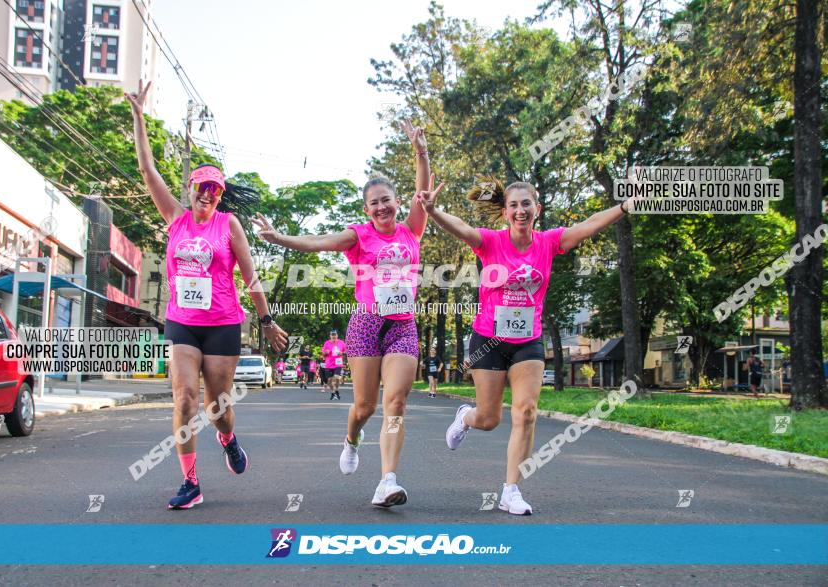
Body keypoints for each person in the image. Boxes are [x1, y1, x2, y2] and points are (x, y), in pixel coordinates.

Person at [418, 177, 635, 515]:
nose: (520, 210)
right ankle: (466, 417)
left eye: (526, 204)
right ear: (505, 212)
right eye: (514, 205)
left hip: (528, 341)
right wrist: (433, 212)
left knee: (526, 412)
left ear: (537, 209)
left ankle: (511, 490)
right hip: (489, 339)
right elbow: (462, 229)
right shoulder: (491, 242)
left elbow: (589, 226)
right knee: (489, 419)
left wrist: (623, 206)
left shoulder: (548, 243)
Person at [251, 120, 430, 507]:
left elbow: (423, 191)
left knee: (396, 401)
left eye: (387, 199)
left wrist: (420, 150)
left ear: (397, 202)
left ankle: (387, 480)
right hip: (366, 325)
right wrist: (279, 237)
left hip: (402, 327)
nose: (382, 207)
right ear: (366, 210)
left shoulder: (411, 230)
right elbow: (318, 243)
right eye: (374, 203)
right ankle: (352, 439)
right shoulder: (358, 235)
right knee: (365, 406)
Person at [127, 81, 287, 510]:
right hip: (182, 322)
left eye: (215, 189)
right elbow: (147, 171)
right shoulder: (175, 219)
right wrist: (139, 118)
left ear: (220, 195)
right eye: (202, 186)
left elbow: (250, 276)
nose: (207, 193)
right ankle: (191, 483)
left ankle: (229, 438)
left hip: (222, 323)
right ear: (192, 187)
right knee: (184, 398)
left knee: (218, 406)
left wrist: (267, 320)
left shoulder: (228, 225)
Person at [322, 329, 347, 400]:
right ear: (330, 336)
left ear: (337, 335)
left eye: (335, 335)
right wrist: (325, 352)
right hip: (329, 364)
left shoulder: (341, 343)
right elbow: (323, 353)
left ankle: (334, 392)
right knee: (329, 381)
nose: (333, 336)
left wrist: (342, 353)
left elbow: (346, 351)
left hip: (338, 364)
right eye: (332, 335)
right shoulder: (326, 343)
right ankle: (335, 392)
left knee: (336, 378)